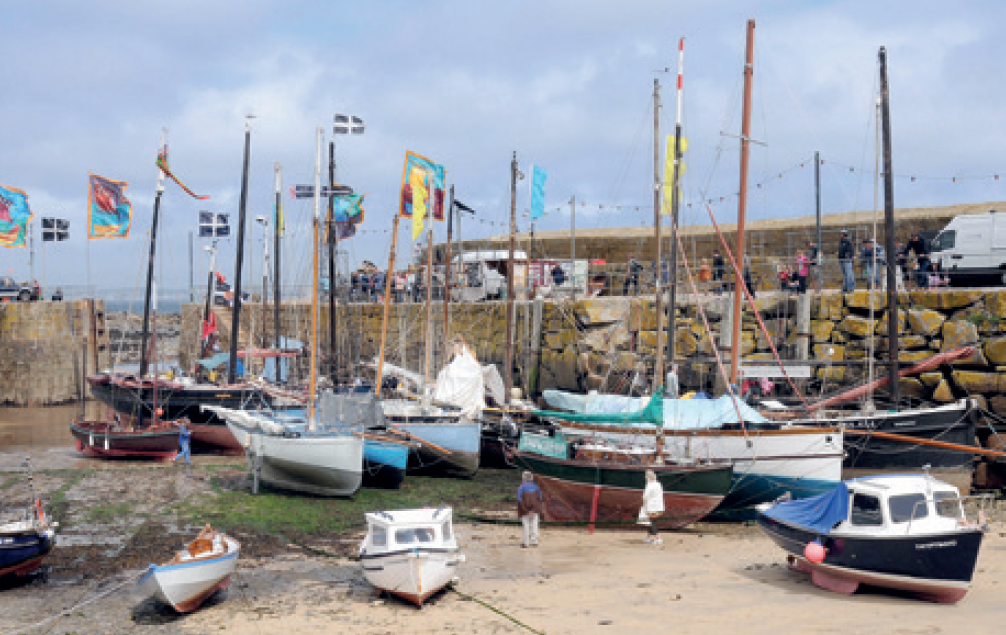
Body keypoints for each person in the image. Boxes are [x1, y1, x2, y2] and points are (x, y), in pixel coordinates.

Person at [516, 471, 543, 548]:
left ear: (523, 478)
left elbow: (519, 499)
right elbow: (540, 498)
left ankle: (526, 543)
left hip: (525, 510)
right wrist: (534, 510)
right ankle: (535, 542)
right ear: (531, 478)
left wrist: (525, 510)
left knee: (526, 525)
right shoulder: (536, 487)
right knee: (535, 525)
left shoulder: (521, 487)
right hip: (535, 510)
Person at [641, 470, 664, 545]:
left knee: (652, 522)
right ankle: (648, 537)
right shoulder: (658, 484)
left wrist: (643, 498)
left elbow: (646, 496)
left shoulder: (649, 485)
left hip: (652, 507)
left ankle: (658, 538)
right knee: (652, 522)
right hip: (659, 507)